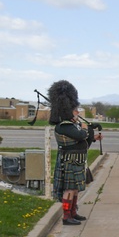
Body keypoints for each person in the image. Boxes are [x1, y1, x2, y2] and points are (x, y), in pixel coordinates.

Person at [48, 80, 100, 226]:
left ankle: (73, 212)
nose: (77, 112)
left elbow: (83, 143)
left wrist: (93, 137)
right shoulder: (64, 126)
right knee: (69, 190)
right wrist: (87, 128)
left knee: (75, 189)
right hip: (70, 161)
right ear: (67, 110)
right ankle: (66, 216)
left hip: (77, 160)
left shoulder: (71, 126)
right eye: (75, 110)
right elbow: (81, 136)